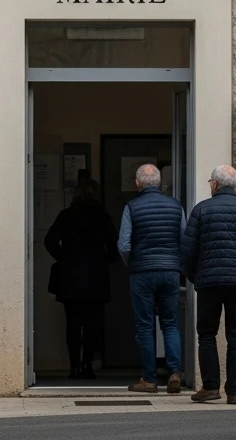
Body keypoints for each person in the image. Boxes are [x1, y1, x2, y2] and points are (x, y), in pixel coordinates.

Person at [181, 164, 236, 405]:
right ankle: (234, 391)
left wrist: (195, 278)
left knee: (207, 335)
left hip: (209, 282)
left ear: (214, 184)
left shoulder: (201, 211)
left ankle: (210, 387)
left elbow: (188, 253)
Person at [117, 163, 187, 395]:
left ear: (137, 184)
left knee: (145, 326)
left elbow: (124, 245)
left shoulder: (132, 207)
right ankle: (174, 373)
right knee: (170, 323)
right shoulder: (176, 206)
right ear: (159, 183)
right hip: (169, 271)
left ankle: (148, 379)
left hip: (143, 272)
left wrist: (134, 264)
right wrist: (177, 264)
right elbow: (184, 240)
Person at [44, 178, 118, 379]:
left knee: (73, 324)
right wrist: (107, 259)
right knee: (93, 324)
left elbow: (49, 240)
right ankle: (88, 365)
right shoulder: (102, 217)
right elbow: (114, 247)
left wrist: (63, 257)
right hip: (96, 276)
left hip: (70, 276)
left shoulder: (66, 216)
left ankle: (73, 366)